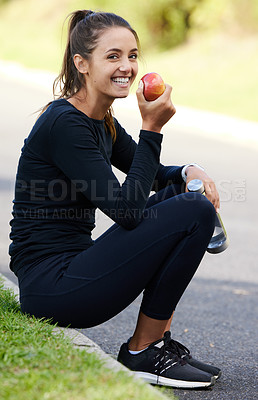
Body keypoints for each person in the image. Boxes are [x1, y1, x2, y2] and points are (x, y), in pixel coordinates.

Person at [9, 10, 222, 389]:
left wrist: (189, 170)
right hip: (52, 288)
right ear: (82, 64)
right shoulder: (66, 124)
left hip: (72, 270)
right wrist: (152, 128)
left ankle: (153, 345)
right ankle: (144, 352)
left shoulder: (99, 117)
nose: (127, 67)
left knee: (185, 196)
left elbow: (152, 175)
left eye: (133, 55)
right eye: (113, 56)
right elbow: (126, 210)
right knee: (192, 211)